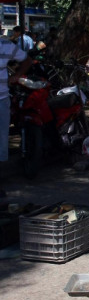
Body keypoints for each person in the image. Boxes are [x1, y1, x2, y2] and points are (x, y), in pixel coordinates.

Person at [1, 36, 31, 197]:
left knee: (1, 142)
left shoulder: (5, 45)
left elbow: (27, 60)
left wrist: (16, 76)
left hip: (2, 100)